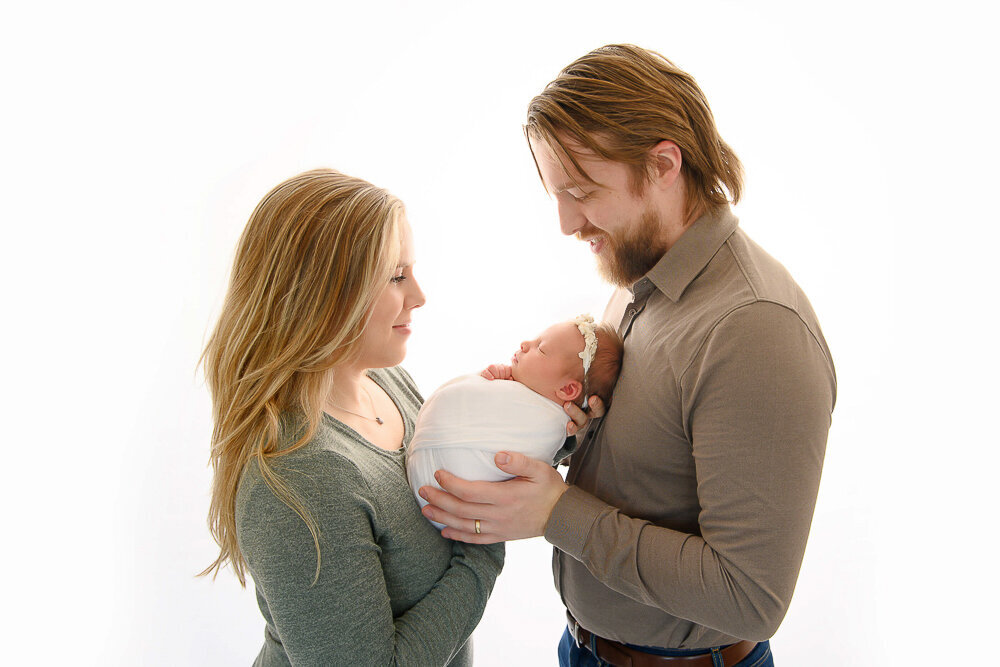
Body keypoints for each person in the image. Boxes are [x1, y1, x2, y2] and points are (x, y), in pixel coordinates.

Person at [418, 45, 837, 667]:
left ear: (664, 164)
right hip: (588, 649)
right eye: (555, 194)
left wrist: (560, 512)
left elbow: (749, 597)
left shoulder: (755, 329)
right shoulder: (638, 277)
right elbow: (647, 466)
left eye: (581, 191)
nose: (565, 223)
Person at [200, 168, 504, 666]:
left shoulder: (384, 384)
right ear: (324, 294)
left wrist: (550, 419)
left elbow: (457, 473)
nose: (420, 296)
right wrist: (485, 551)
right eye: (396, 276)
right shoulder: (302, 476)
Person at [407, 315, 622, 529]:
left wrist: (484, 384)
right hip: (436, 492)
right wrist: (487, 380)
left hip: (447, 495)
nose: (525, 344)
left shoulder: (548, 425)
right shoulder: (520, 395)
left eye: (541, 349)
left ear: (567, 389)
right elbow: (470, 405)